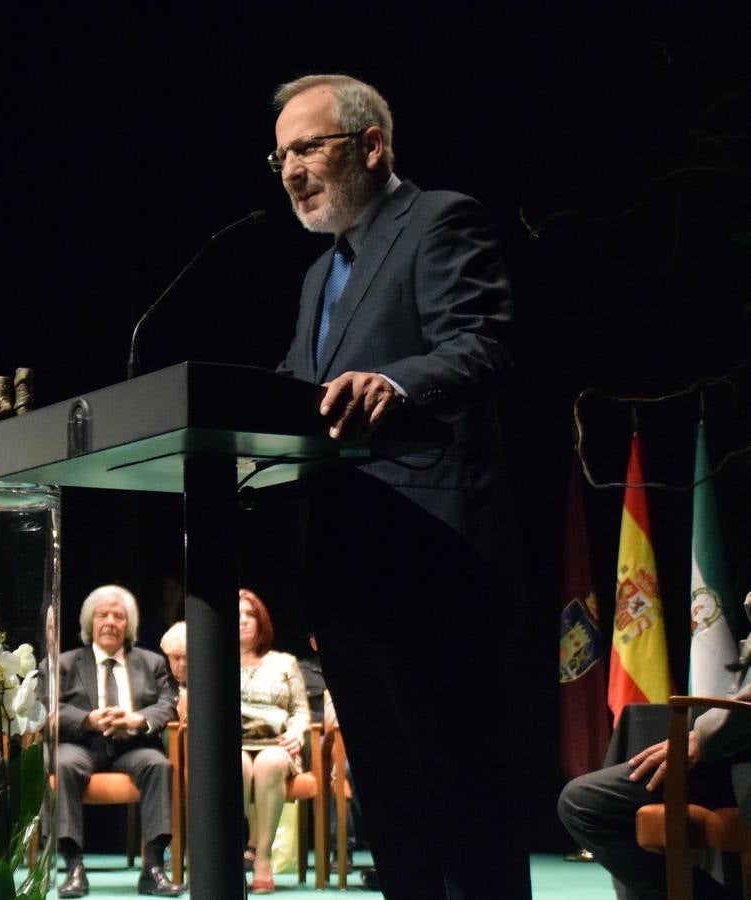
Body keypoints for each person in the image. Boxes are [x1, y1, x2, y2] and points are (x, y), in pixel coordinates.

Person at [270, 74, 529, 898]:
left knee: (461, 796)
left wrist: (397, 383)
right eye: (278, 155)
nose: (289, 169)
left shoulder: (439, 220)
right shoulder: (320, 275)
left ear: (371, 145)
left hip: (433, 556)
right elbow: (295, 394)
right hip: (347, 569)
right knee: (393, 808)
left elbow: (482, 343)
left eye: (307, 147)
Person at [558, 676, 751, 899]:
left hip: (736, 753)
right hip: (727, 752)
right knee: (582, 802)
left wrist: (702, 738)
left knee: (583, 804)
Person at [51, 585, 183, 898]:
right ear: (90, 623)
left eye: (118, 616)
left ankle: (152, 868)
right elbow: (49, 705)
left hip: (134, 745)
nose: (110, 621)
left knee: (158, 765)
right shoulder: (67, 663)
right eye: (102, 615)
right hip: (83, 744)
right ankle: (73, 867)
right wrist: (89, 719)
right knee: (63, 763)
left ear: (129, 625)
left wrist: (139, 719)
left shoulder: (151, 663)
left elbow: (168, 702)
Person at [236, 589, 309, 893]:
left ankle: (262, 857)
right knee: (236, 763)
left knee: (268, 763)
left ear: (261, 621)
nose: (242, 620)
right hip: (235, 744)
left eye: (250, 614)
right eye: (236, 614)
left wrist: (296, 733)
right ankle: (237, 849)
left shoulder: (284, 662)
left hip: (278, 744)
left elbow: (301, 710)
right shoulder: (215, 662)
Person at [158, 621, 188, 724]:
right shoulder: (162, 685)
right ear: (168, 658)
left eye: (187, 657)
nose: (182, 664)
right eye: (176, 658)